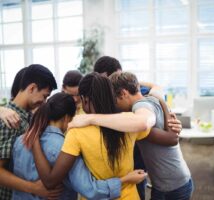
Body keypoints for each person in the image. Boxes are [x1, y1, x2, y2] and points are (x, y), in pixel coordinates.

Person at [31, 72, 149, 200]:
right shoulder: (129, 122)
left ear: (84, 99)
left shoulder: (77, 132)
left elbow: (50, 181)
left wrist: (34, 139)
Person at [110, 72, 193, 200]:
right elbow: (156, 87)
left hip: (174, 187)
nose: (115, 105)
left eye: (115, 100)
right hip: (167, 183)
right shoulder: (151, 97)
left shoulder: (139, 107)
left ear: (124, 94)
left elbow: (171, 139)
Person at [93, 55, 163, 200]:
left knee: (138, 188)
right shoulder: (99, 94)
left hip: (135, 154)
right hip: (110, 156)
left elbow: (155, 88)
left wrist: (169, 120)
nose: (109, 85)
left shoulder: (132, 93)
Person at [0, 64, 58, 200]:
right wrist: (34, 188)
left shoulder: (28, 117)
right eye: (44, 96)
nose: (44, 102)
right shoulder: (10, 120)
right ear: (31, 88)